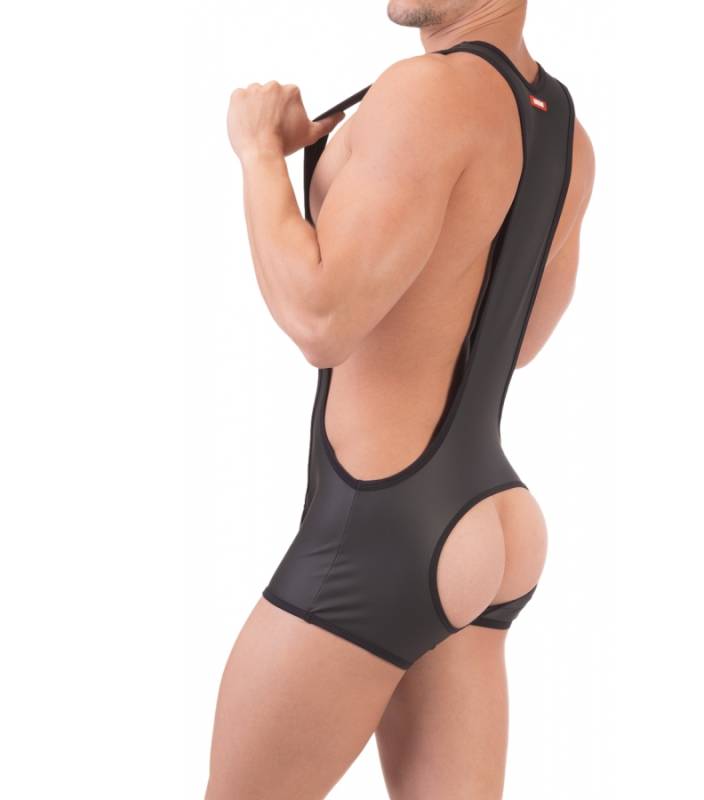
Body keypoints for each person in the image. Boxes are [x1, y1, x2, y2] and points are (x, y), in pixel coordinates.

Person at [207, 1, 594, 797]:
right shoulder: (566, 133)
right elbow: (521, 339)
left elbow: (321, 320)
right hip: (493, 521)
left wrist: (258, 155)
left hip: (381, 530)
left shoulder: (425, 92)